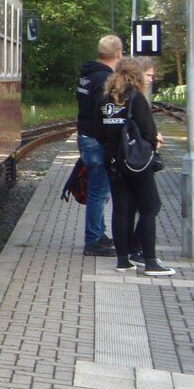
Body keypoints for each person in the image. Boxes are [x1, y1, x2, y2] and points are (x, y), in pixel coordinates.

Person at [98, 57, 174, 276]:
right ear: (137, 76)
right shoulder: (136, 98)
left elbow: (97, 130)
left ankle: (123, 261)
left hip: (112, 160)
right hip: (136, 162)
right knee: (148, 208)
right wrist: (155, 140)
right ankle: (150, 261)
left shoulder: (105, 100)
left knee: (121, 209)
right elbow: (148, 131)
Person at [76, 35, 122, 256]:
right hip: (96, 140)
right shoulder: (105, 78)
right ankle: (93, 240)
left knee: (98, 189)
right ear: (119, 53)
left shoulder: (87, 75)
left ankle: (99, 233)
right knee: (98, 191)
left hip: (85, 137)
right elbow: (104, 114)